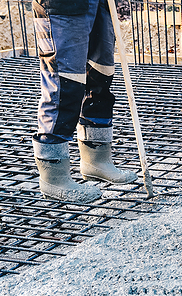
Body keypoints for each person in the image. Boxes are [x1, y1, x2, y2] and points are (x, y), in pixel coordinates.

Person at [33, 0, 136, 202]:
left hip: (98, 3)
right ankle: (54, 177)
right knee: (65, 84)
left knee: (100, 76)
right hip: (61, 6)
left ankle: (96, 160)